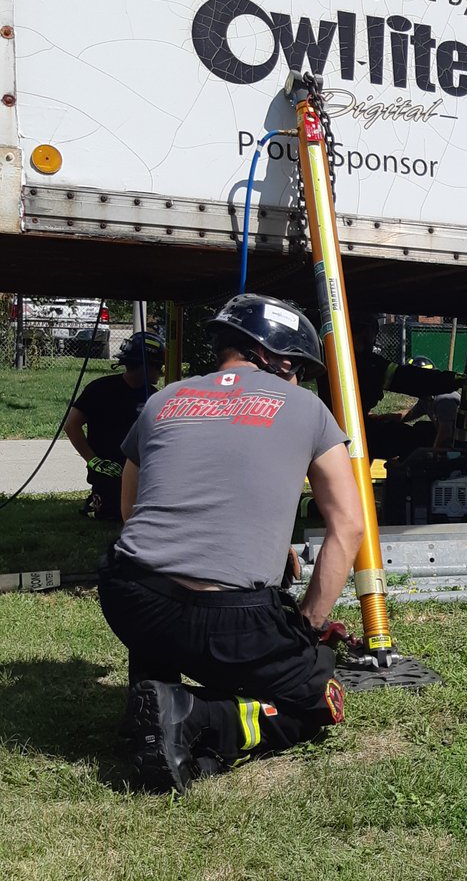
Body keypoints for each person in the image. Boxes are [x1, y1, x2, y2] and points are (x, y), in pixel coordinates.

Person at [97, 293, 365, 794]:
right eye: (298, 370)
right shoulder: (308, 408)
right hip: (230, 619)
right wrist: (307, 627)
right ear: (280, 358)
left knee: (163, 608)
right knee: (315, 700)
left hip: (130, 597)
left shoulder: (162, 399)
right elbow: (347, 525)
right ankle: (196, 716)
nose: (298, 381)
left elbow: (130, 511)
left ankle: (152, 696)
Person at [315, 313, 460, 460]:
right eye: (373, 334)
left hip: (336, 428)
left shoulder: (331, 358)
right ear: (365, 333)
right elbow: (405, 379)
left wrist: (384, 417)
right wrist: (450, 380)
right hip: (352, 431)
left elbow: (410, 412)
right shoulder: (365, 364)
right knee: (421, 437)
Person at [65, 331, 166, 521]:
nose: (161, 372)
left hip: (142, 471)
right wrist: (94, 461)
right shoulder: (100, 389)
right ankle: (96, 502)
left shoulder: (154, 397)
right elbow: (72, 425)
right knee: (113, 514)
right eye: (158, 366)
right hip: (108, 471)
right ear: (144, 366)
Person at [400, 355, 467, 453]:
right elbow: (409, 414)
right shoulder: (427, 397)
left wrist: (430, 458)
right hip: (453, 443)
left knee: (423, 432)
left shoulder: (445, 399)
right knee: (421, 427)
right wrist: (383, 417)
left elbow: (445, 436)